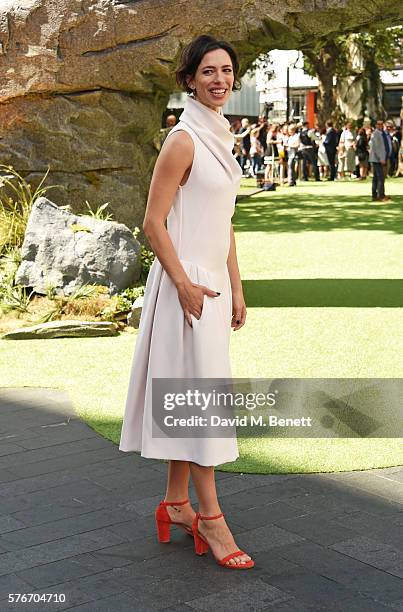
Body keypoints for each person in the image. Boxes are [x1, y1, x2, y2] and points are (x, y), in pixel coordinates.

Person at [119, 34, 254, 569]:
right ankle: (214, 521)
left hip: (212, 288)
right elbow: (153, 224)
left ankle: (176, 505)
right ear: (190, 79)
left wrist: (237, 286)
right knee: (204, 408)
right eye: (208, 72)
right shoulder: (183, 139)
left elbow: (225, 223)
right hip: (185, 289)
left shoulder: (221, 136)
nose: (219, 80)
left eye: (226, 71)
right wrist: (184, 284)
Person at [369, 119, 390, 203]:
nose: (380, 125)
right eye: (379, 124)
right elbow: (377, 148)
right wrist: (381, 159)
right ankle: (380, 196)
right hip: (377, 159)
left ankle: (376, 195)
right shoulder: (375, 134)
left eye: (382, 124)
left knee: (376, 178)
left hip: (380, 159)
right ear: (376, 125)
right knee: (380, 177)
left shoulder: (381, 133)